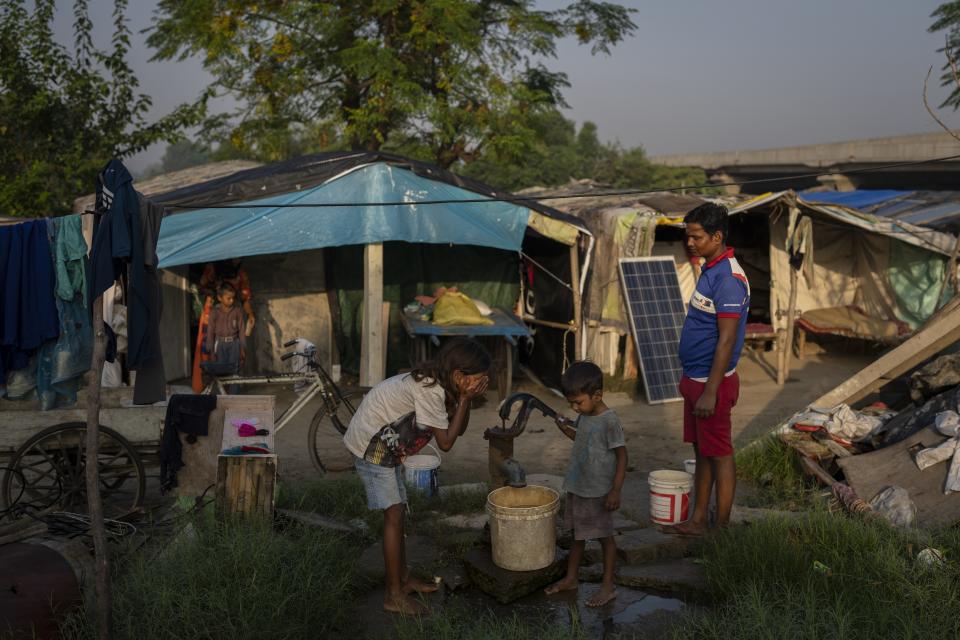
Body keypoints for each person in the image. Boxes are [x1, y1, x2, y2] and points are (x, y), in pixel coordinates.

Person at [342, 338, 491, 615]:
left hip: (388, 444)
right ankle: (393, 595)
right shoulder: (431, 390)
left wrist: (464, 401)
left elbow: (457, 428)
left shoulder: (444, 385)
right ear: (459, 375)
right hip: (372, 446)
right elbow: (446, 442)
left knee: (398, 513)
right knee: (394, 515)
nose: (482, 384)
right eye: (478, 379)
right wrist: (465, 399)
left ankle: (403, 579)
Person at [665, 202, 749, 536]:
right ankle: (698, 521)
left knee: (721, 455)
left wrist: (710, 392)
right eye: (688, 236)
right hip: (696, 381)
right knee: (702, 454)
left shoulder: (728, 279)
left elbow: (726, 341)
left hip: (711, 387)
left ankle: (721, 529)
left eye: (696, 237)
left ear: (716, 236)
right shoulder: (709, 268)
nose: (690, 242)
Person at [545, 361, 627, 607]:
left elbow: (623, 456)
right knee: (577, 536)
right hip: (579, 487)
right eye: (571, 403)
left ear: (598, 395)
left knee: (605, 538)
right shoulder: (586, 415)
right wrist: (564, 428)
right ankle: (571, 578)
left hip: (598, 492)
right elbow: (581, 439)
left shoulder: (609, 420)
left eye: (578, 402)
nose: (574, 408)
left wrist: (615, 490)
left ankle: (608, 586)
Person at [192, 259, 254, 391]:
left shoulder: (240, 273)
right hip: (216, 328)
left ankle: (233, 396)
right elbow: (201, 286)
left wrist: (250, 315)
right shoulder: (212, 267)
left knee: (235, 367)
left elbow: (245, 297)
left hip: (233, 338)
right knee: (216, 364)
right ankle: (217, 394)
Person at [205, 283, 246, 375]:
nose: (231, 300)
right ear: (220, 298)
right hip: (220, 345)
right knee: (221, 372)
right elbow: (210, 332)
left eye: (233, 298)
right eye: (228, 298)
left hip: (234, 344)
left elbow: (242, 330)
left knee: (234, 371)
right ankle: (223, 390)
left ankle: (234, 390)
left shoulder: (237, 311)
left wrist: (242, 348)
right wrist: (211, 351)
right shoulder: (214, 312)